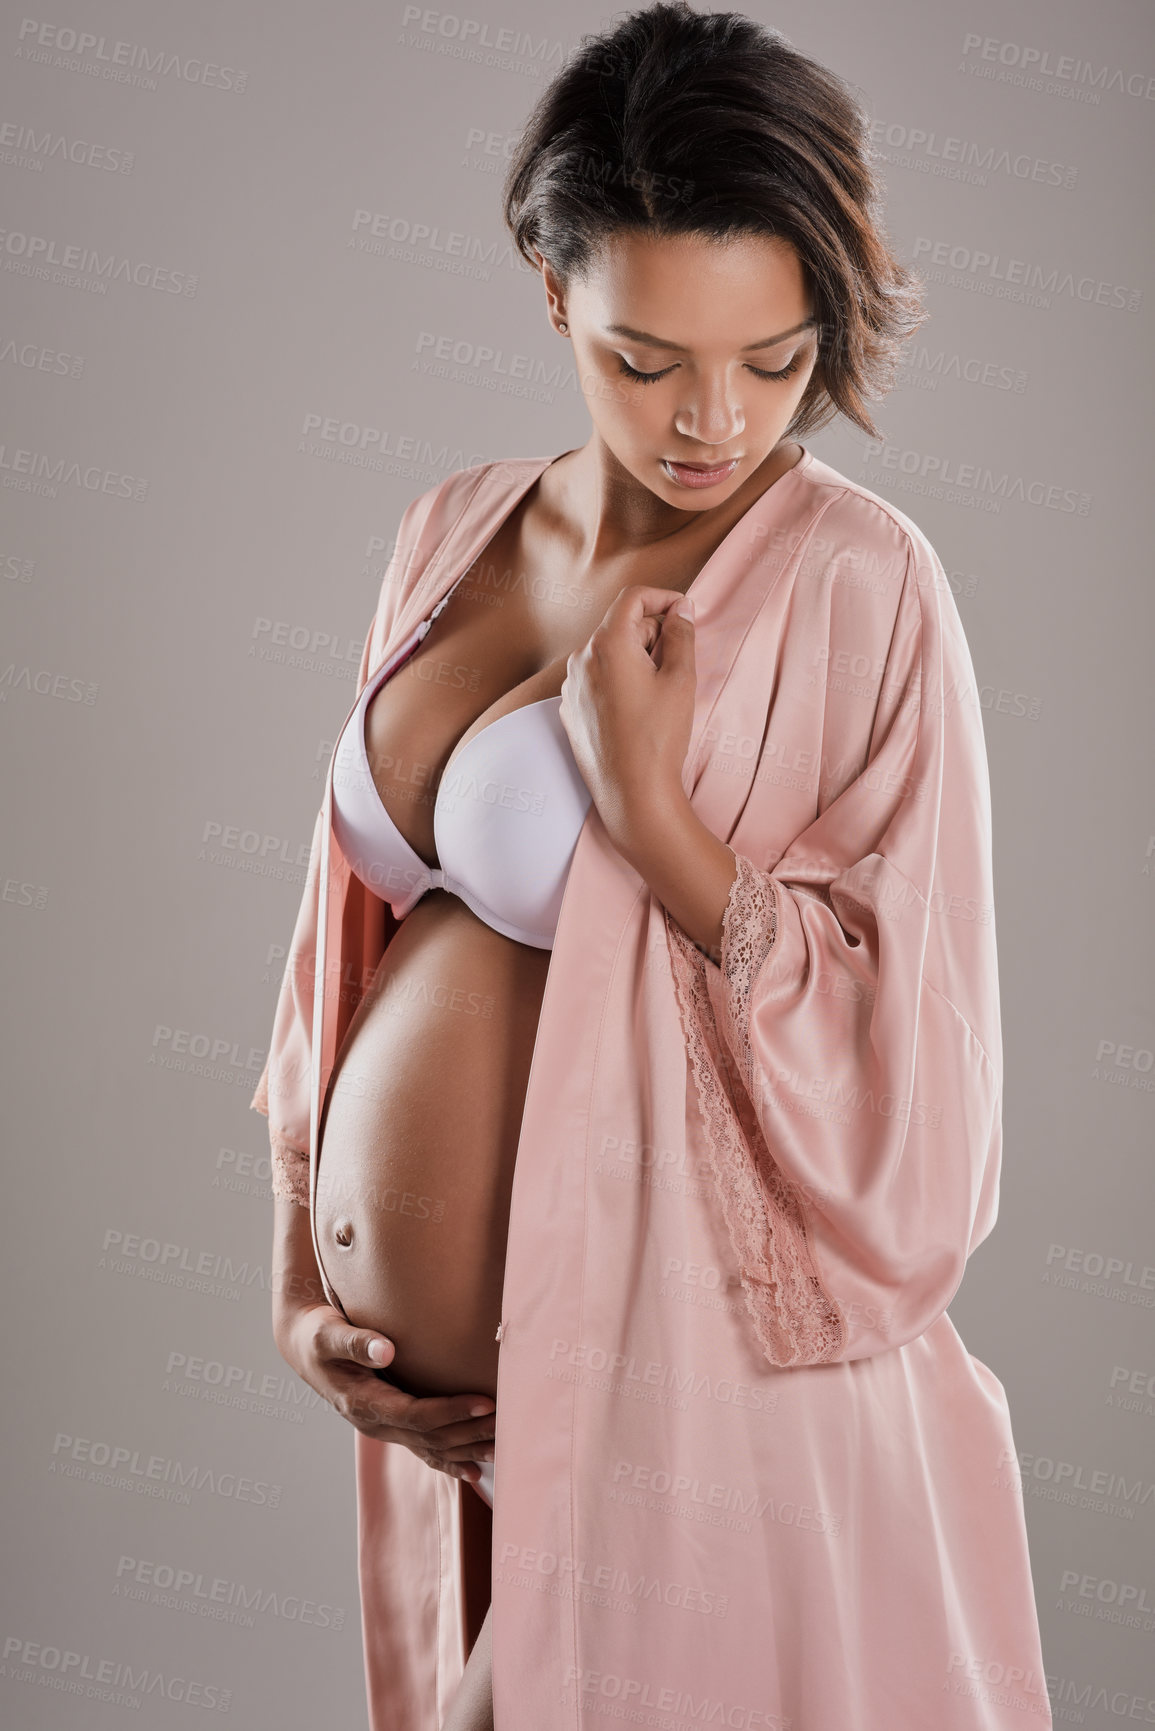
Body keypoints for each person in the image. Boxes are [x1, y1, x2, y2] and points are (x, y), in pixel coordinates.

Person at [251, 5, 1053, 1727]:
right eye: (645, 357)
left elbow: (921, 1097)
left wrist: (657, 820)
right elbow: (339, 953)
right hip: (478, 1448)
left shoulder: (862, 590)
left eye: (775, 360)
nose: (717, 420)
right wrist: (299, 1291)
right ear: (553, 294)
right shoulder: (449, 533)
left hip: (715, 1435)